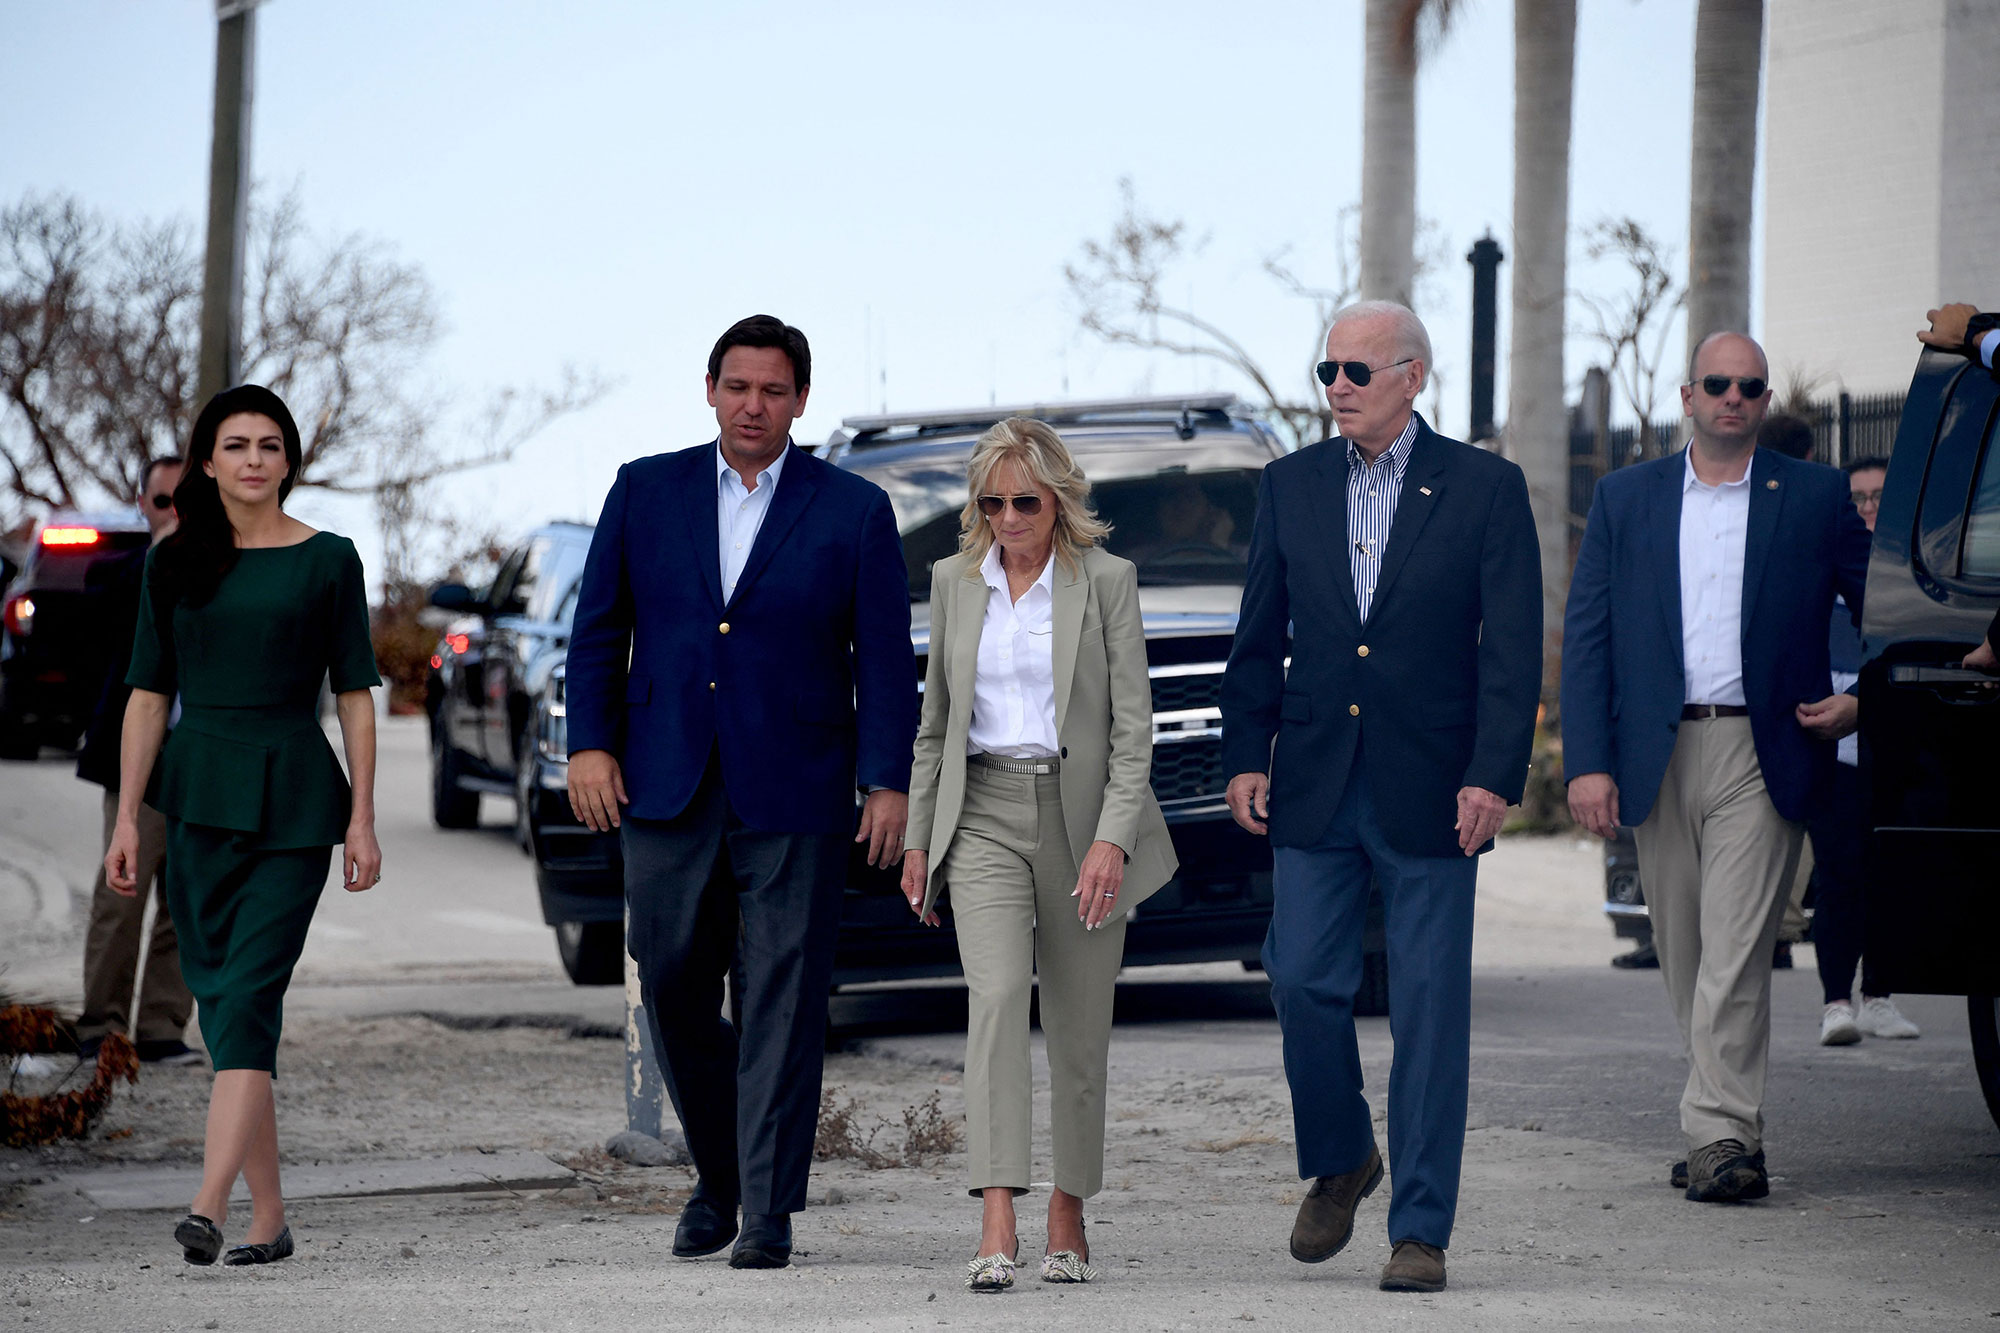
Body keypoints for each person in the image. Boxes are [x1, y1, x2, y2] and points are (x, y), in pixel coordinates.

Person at [564, 315, 917, 1271]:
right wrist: (588, 744)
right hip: (665, 779)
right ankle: (720, 1175)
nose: (754, 405)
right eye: (738, 387)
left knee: (783, 999)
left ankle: (766, 1206)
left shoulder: (852, 509)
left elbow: (885, 660)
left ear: (801, 398)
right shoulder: (645, 490)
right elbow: (598, 630)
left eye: (773, 390)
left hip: (798, 786)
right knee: (672, 980)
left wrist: (887, 781)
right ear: (710, 389)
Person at [1218, 300, 1542, 1293]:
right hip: (1314, 782)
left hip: (1434, 788)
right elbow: (1256, 632)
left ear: (1411, 377)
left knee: (1429, 1010)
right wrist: (1245, 749)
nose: (1337, 389)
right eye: (1327, 372)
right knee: (1301, 981)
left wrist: (1492, 772)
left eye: (1357, 371)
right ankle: (1342, 1153)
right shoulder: (1288, 485)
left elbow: (1511, 647)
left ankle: (1420, 1228)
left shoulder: (1485, 488)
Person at [1562, 332, 1871, 1204]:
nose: (1734, 397)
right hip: (1655, 752)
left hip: (1763, 748)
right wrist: (1585, 763)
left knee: (1738, 949)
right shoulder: (1627, 497)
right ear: (1688, 394)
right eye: (1718, 384)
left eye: (1750, 386)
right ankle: (1725, 1124)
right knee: (1687, 952)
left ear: (1764, 401)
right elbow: (1588, 637)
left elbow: (1879, 603)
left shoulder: (1813, 496)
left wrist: (1865, 698)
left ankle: (1718, 1132)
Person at [899, 418, 1176, 1292]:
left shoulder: (1106, 581)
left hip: (1082, 815)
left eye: (1025, 499)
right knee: (991, 1003)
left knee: (1078, 1026)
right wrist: (917, 837)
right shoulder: (952, 581)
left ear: (1059, 495)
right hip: (979, 809)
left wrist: (1110, 837)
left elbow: (1135, 733)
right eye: (992, 501)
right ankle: (996, 1216)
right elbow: (935, 724)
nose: (1009, 516)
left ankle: (1068, 1208)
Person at [107, 385, 383, 1266]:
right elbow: (147, 698)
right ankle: (270, 1219)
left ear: (290, 462)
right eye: (236, 444)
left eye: (271, 444)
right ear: (209, 460)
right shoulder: (173, 562)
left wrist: (364, 818)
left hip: (295, 799)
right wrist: (124, 820)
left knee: (250, 992)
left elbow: (354, 697)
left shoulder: (330, 558)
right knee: (226, 1009)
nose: (255, 459)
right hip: (194, 798)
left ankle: (208, 1203)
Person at [72, 455, 198, 1066]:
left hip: (202, 761)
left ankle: (161, 1029)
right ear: (143, 506)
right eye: (162, 501)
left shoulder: (221, 572)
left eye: (186, 500)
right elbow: (109, 628)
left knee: (189, 900)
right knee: (121, 893)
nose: (175, 511)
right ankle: (101, 1024)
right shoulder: (123, 573)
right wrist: (165, 553)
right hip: (137, 762)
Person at [1808, 456, 1920, 1045]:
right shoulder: (1823, 566)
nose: (1871, 506)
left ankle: (1879, 995)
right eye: (1860, 498)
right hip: (1832, 739)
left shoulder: (1912, 572)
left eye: (1880, 495)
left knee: (1888, 870)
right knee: (1838, 874)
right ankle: (1836, 1002)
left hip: (1897, 737)